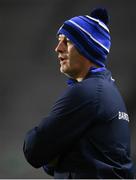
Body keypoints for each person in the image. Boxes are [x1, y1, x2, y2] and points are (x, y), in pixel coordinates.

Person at [23, 8, 134, 179]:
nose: (58, 48)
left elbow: (34, 150)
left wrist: (55, 153)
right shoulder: (107, 90)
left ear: (87, 48)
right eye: (59, 41)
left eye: (66, 41)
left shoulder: (86, 92)